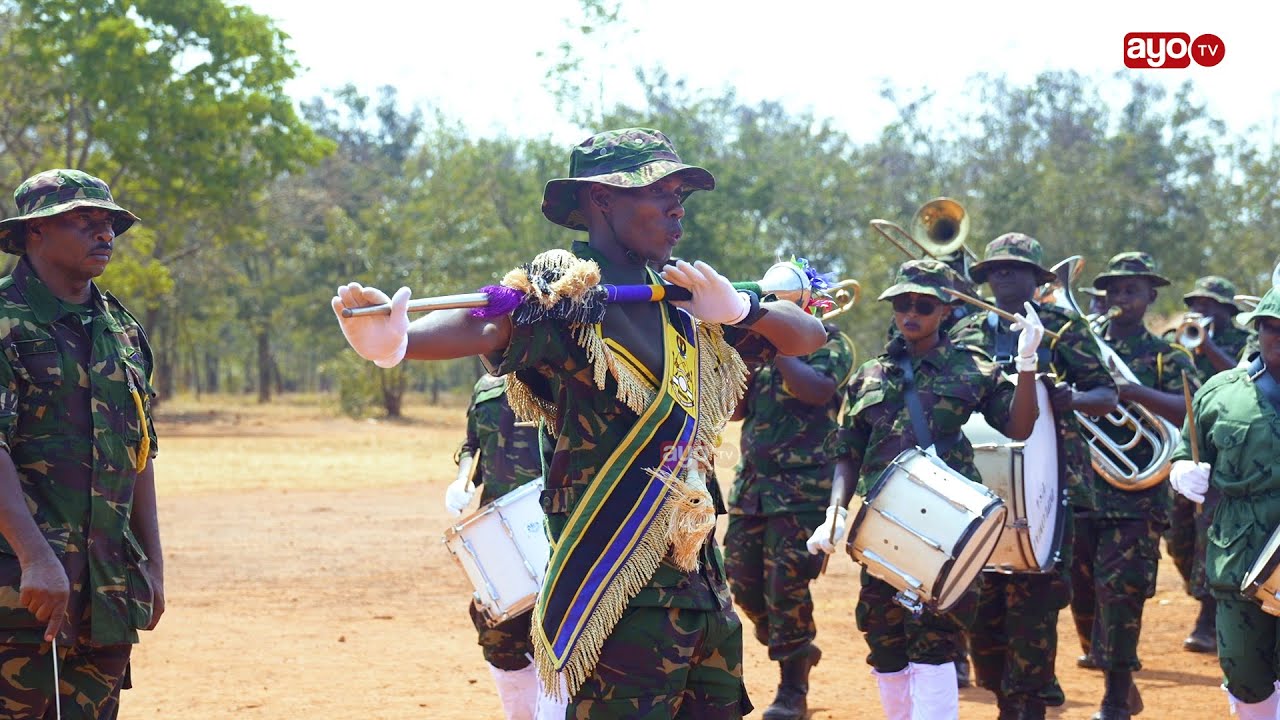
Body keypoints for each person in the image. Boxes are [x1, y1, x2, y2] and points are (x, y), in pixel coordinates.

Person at [331, 127, 827, 718]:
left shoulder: (687, 297)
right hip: (613, 590)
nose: (676, 208)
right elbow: (491, 320)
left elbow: (809, 335)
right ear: (601, 198)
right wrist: (397, 344)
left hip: (701, 587)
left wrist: (743, 309)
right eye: (657, 192)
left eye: (680, 196)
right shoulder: (568, 296)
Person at [806, 258, 1044, 719]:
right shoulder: (870, 374)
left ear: (946, 310)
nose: (911, 313)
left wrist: (1028, 363)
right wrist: (835, 511)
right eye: (902, 304)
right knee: (884, 642)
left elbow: (1019, 427)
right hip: (882, 529)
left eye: (924, 305)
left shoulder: (971, 368)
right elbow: (847, 452)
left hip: (948, 528)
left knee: (935, 644)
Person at [0, 169, 164, 718]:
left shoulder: (120, 329)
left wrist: (154, 566)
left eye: (110, 223)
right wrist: (35, 558)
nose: (105, 233)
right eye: (84, 220)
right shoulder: (5, 322)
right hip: (20, 592)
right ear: (35, 232)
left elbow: (139, 452)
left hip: (108, 590)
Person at [950, 234, 1118, 719]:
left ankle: (1029, 704)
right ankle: (1009, 699)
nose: (1004, 275)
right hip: (979, 485)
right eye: (996, 269)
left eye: (1016, 268)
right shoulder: (964, 333)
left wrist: (1071, 398)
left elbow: (1106, 393)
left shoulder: (1062, 328)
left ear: (1036, 278)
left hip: (1051, 485)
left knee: (1035, 611)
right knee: (983, 616)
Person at [1070, 252, 1199, 720]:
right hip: (1083, 487)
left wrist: (1128, 392)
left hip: (1138, 496)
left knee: (1121, 595)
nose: (1121, 297)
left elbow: (1190, 411)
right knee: (1081, 593)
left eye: (1132, 290)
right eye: (1114, 289)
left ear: (1150, 297)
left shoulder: (1168, 355)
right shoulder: (1081, 347)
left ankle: (1115, 695)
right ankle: (1115, 675)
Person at [724, 323, 855, 720]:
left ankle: (792, 688)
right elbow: (736, 411)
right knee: (742, 586)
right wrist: (748, 353)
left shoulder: (829, 340)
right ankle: (797, 651)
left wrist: (781, 343)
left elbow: (817, 390)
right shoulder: (758, 346)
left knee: (786, 589)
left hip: (803, 491)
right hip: (752, 489)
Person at [1169, 287, 1280, 720]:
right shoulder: (1220, 392)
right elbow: (1187, 448)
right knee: (1243, 671)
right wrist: (1183, 471)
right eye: (1272, 327)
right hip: (1240, 555)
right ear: (1258, 330)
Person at [447, 374, 555, 719]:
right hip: (498, 535)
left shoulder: (557, 375)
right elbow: (472, 445)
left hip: (552, 527)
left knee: (556, 637)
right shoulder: (486, 387)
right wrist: (463, 479)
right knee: (499, 637)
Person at [1165, 276, 1251, 654]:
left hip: (1231, 454)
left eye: (1210, 304)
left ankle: (1209, 618)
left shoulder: (1243, 343)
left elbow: (1244, 380)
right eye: (1196, 303)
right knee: (1178, 536)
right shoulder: (1175, 342)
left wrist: (1209, 346)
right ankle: (1207, 595)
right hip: (1189, 451)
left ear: (1227, 310)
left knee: (1211, 534)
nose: (1201, 310)